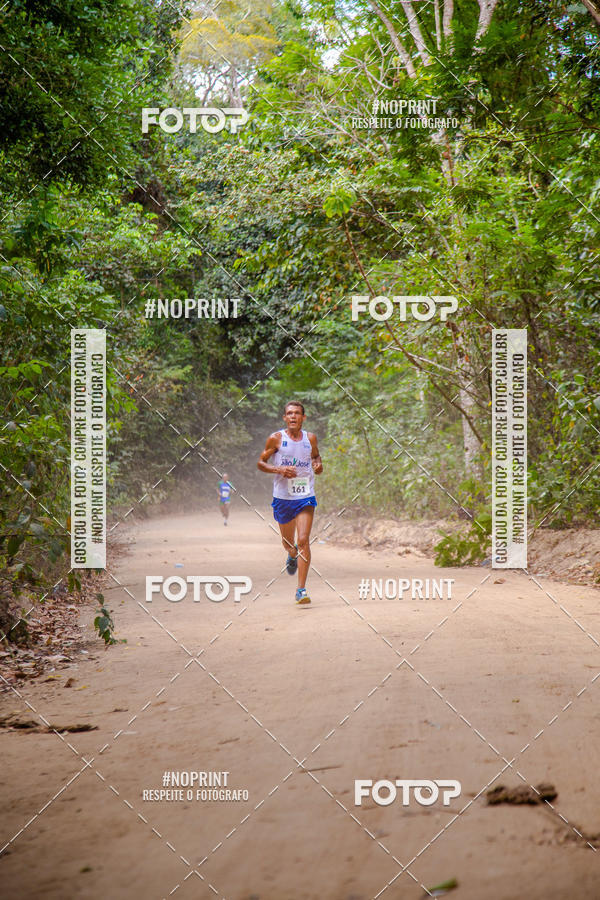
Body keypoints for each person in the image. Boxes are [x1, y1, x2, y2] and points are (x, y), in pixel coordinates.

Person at [257, 401, 323, 604]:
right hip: (283, 497)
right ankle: (291, 554)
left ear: (303, 418)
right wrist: (280, 470)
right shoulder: (276, 439)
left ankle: (301, 590)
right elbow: (261, 463)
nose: (293, 416)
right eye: (289, 413)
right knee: (288, 543)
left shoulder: (310, 438)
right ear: (285, 418)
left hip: (305, 495)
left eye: (297, 413)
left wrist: (318, 465)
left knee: (303, 540)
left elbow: (316, 457)